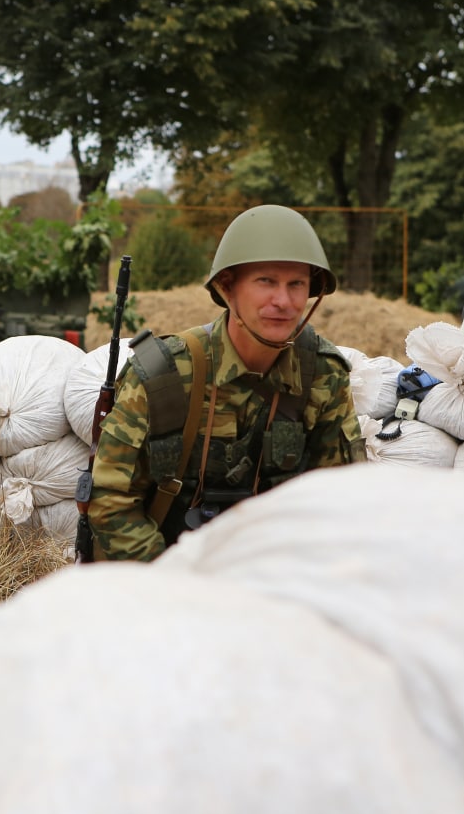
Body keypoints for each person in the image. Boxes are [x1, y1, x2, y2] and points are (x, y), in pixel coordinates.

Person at [88, 204, 365, 561]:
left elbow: (341, 499)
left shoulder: (322, 375)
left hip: (274, 569)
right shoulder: (164, 375)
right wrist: (173, 578)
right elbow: (110, 500)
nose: (283, 301)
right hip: (159, 573)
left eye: (296, 284)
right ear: (227, 287)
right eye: (266, 281)